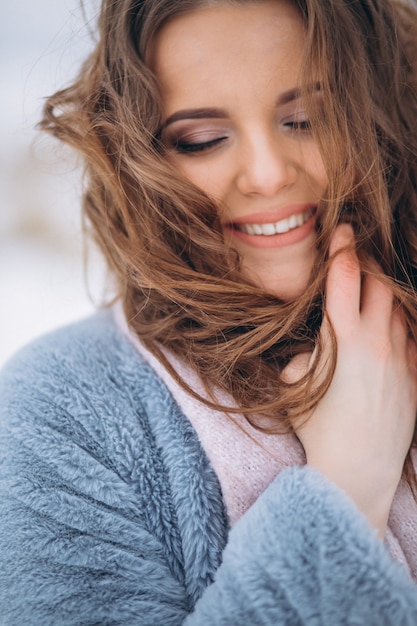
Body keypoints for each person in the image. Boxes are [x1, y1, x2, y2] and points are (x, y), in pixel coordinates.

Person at [1, 0, 417, 623]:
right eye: (203, 139)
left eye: (309, 119)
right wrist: (346, 490)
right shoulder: (60, 415)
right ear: (138, 161)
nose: (269, 174)